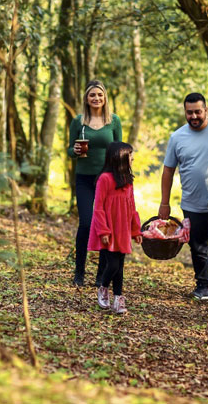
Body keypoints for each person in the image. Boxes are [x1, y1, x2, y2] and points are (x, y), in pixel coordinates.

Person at [159, 92, 208, 305]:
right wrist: (164, 202)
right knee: (197, 247)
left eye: (198, 111)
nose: (193, 116)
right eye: (189, 112)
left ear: (206, 110)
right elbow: (168, 171)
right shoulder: (177, 137)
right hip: (191, 203)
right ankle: (202, 286)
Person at [68, 80, 123, 287]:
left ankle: (101, 275)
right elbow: (69, 150)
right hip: (84, 179)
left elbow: (120, 149)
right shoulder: (78, 121)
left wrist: (122, 173)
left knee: (104, 226)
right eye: (92, 95)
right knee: (85, 223)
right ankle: (79, 272)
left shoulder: (114, 121)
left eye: (100, 95)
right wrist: (74, 151)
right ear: (86, 98)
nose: (96, 98)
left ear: (105, 97)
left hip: (107, 180)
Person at [87, 142, 142, 314]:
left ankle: (118, 299)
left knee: (120, 266)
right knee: (112, 265)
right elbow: (99, 207)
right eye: (130, 154)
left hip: (123, 229)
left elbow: (132, 207)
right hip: (109, 230)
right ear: (120, 157)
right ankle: (103, 288)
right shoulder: (104, 179)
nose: (132, 157)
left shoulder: (128, 181)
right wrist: (103, 230)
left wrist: (135, 230)